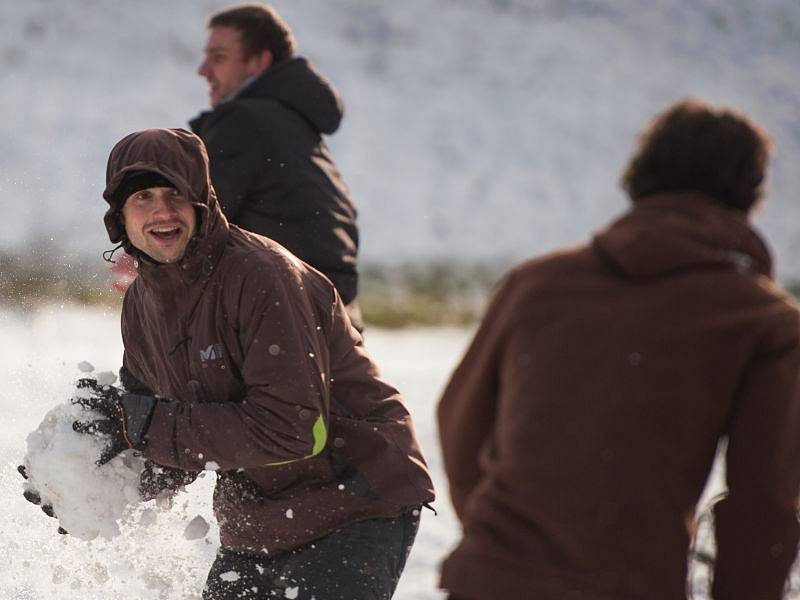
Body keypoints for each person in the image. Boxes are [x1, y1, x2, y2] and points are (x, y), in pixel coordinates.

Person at [436, 99, 800, 600]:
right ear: (750, 193)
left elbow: (461, 422)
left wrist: (502, 540)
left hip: (491, 579)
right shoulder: (763, 321)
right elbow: (763, 501)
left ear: (641, 175)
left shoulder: (538, 283)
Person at [81, 128, 432, 599]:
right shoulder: (142, 306)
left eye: (176, 194)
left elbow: (295, 430)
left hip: (354, 499)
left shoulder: (262, 276)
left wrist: (140, 423)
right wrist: (88, 480)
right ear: (119, 215)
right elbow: (169, 442)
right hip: (258, 518)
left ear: (201, 202)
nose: (162, 212)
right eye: (143, 197)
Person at [189, 3, 363, 330]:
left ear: (259, 62)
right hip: (331, 312)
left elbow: (199, 222)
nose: (203, 70)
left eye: (219, 57)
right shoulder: (288, 122)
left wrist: (146, 257)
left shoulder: (245, 121)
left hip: (287, 315)